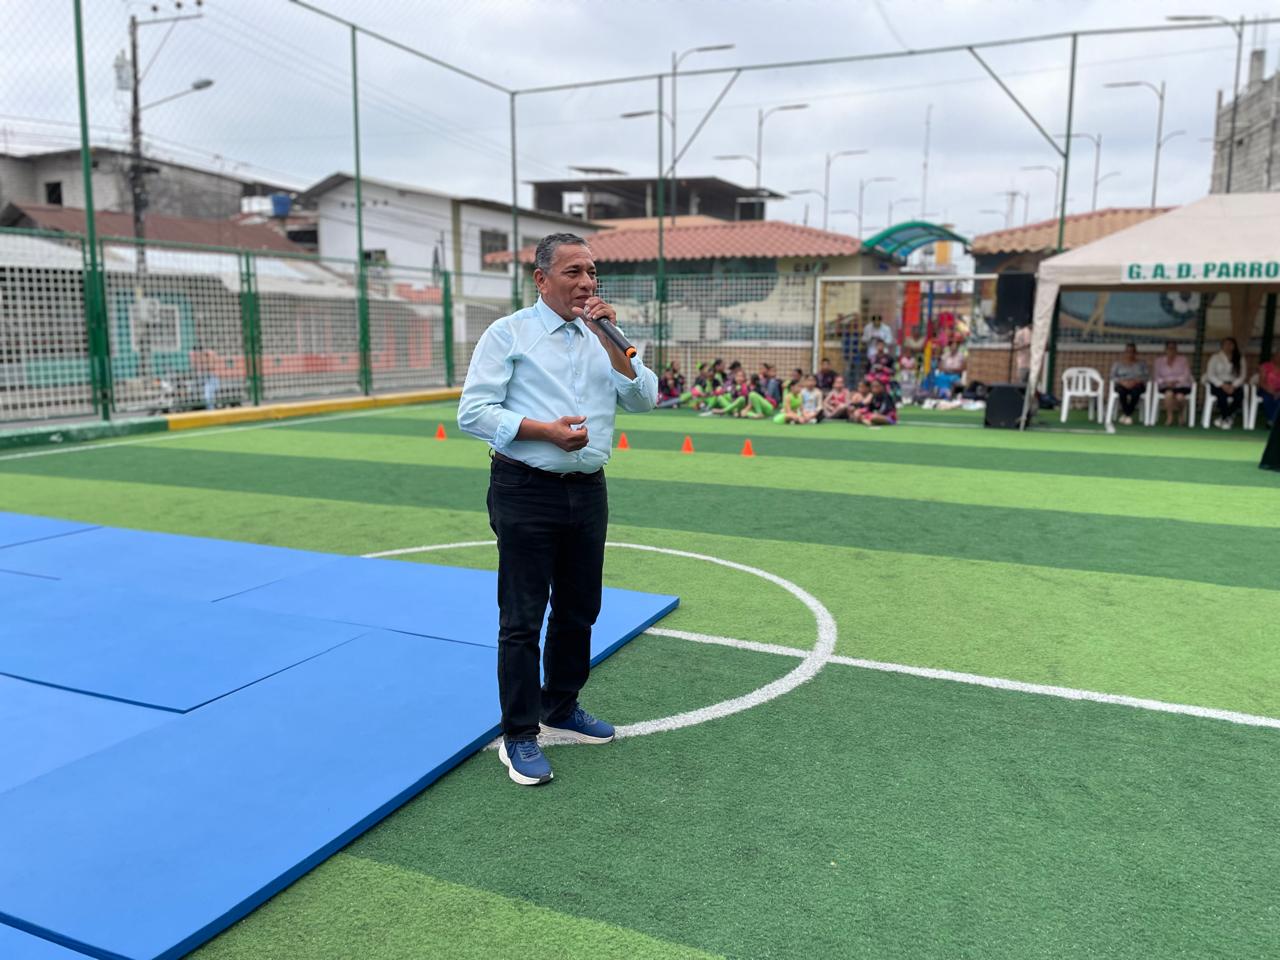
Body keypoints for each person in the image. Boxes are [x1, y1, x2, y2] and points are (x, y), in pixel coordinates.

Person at [457, 233, 658, 786]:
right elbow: (473, 412)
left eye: (592, 272)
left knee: (579, 607)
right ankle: (519, 734)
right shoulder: (509, 333)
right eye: (573, 272)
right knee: (522, 618)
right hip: (525, 487)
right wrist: (543, 431)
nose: (587, 283)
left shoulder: (604, 335)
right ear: (541, 279)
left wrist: (613, 343)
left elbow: (645, 399)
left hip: (588, 489)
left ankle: (561, 705)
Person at [1206, 336, 1247, 430]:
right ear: (1222, 346)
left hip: (1234, 384)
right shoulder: (1215, 357)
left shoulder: (1240, 358)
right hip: (1218, 383)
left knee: (1239, 396)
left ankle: (1224, 417)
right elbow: (1210, 374)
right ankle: (1226, 418)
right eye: (1226, 344)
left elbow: (1242, 375)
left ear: (1234, 346)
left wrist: (1233, 386)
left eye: (1230, 344)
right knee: (1222, 396)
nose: (1228, 346)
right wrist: (1222, 385)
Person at [1152, 341, 1193, 426]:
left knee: (1180, 397)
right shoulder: (1159, 361)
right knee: (1168, 394)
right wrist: (1165, 381)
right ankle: (1169, 416)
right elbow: (1156, 376)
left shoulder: (1183, 360)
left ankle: (1181, 414)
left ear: (1176, 350)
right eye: (1169, 348)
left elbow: (1187, 374)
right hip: (1165, 385)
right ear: (1165, 350)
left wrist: (1176, 381)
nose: (1171, 350)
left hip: (1181, 385)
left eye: (1173, 348)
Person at [1109, 342, 1149, 426]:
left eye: (1132, 352)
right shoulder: (1118, 364)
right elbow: (1112, 376)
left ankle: (1126, 414)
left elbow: (1146, 376)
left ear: (1136, 353)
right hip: (1122, 383)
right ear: (1125, 352)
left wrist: (1136, 381)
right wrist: (1122, 382)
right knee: (1121, 392)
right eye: (1128, 351)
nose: (1130, 354)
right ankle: (1128, 415)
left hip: (1136, 384)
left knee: (1136, 392)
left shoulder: (1141, 364)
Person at [1258, 354, 1280, 427]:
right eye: (1278, 355)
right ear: (1274, 356)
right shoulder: (1265, 366)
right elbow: (1261, 382)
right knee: (1267, 398)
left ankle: (1271, 421)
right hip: (1265, 389)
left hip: (1279, 391)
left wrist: (1278, 393)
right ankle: (1273, 420)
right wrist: (1271, 391)